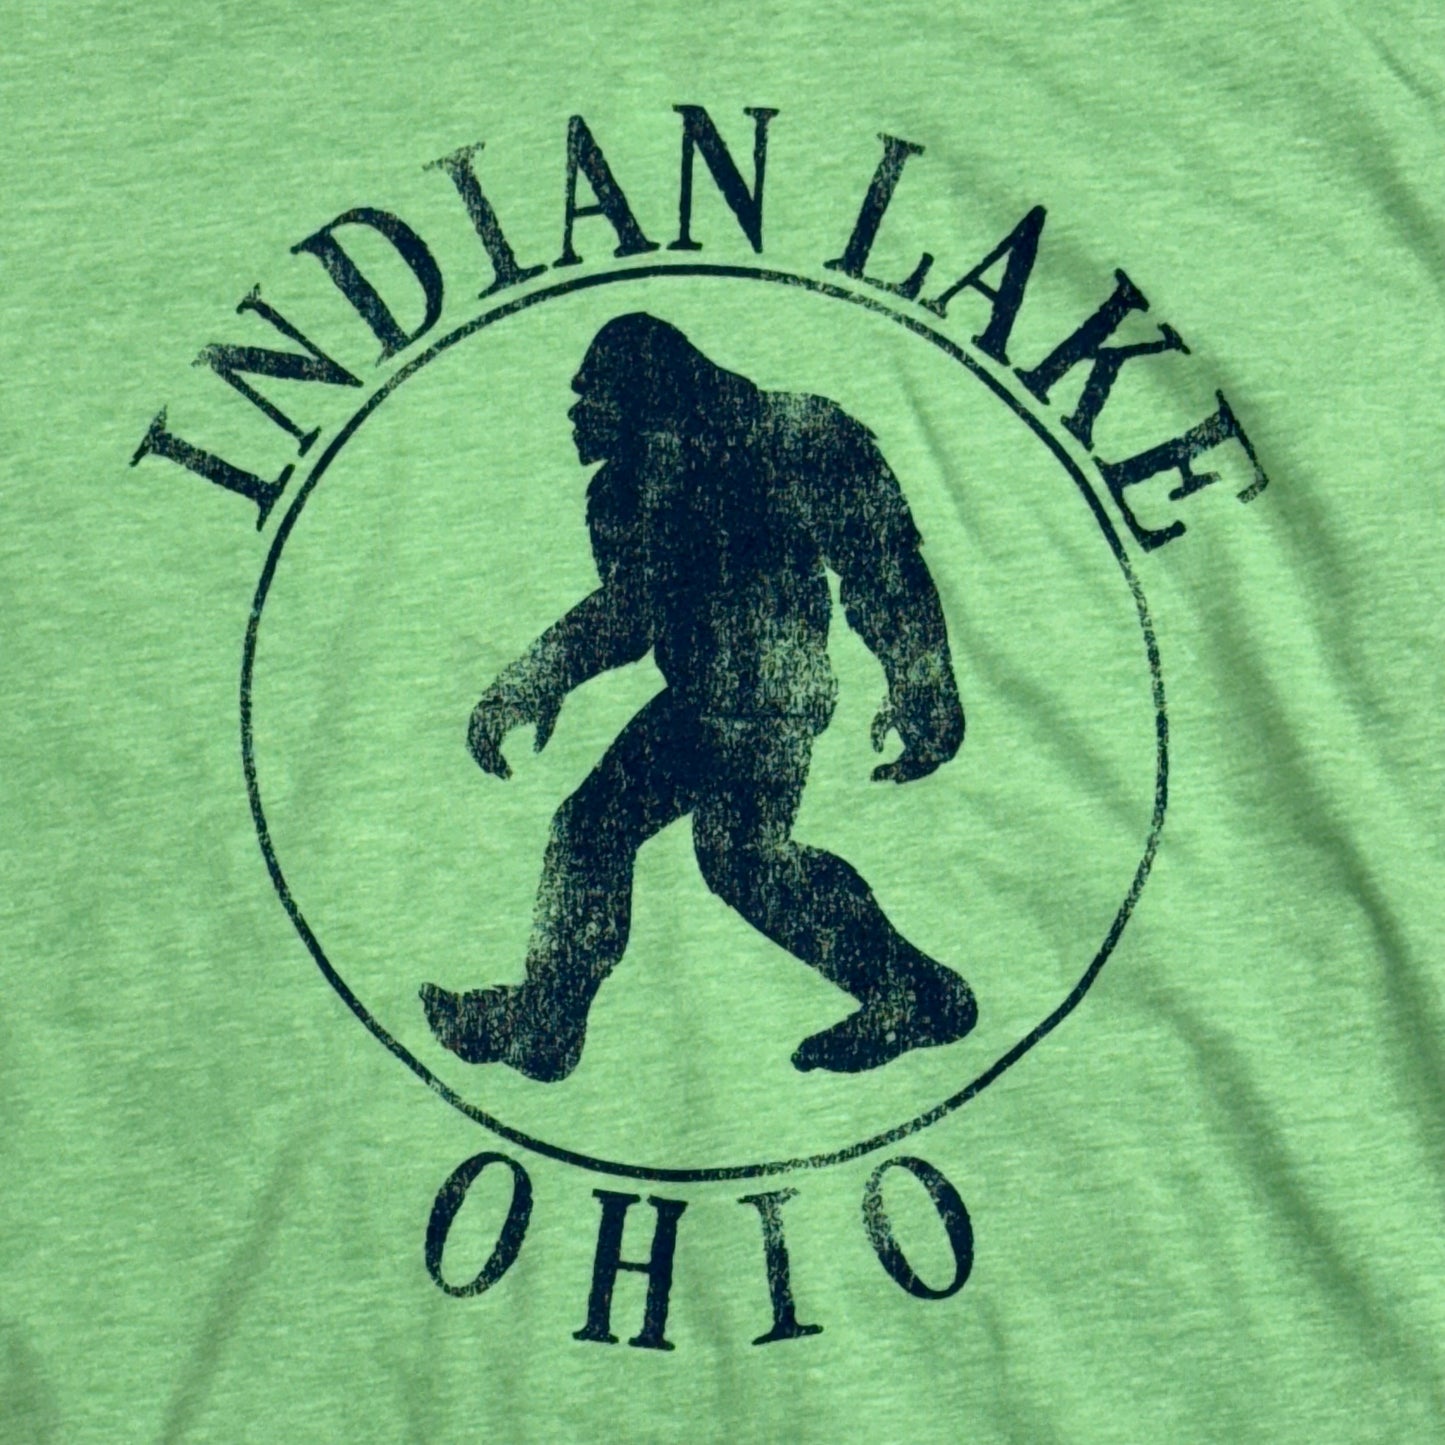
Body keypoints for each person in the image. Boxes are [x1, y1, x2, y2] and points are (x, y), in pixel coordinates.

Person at [421, 312, 976, 1081]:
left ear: (649, 397)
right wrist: (529, 684)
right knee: (716, 854)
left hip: (764, 691)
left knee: (624, 836)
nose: (579, 413)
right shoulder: (623, 489)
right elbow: (628, 614)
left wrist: (924, 690)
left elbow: (881, 563)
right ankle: (917, 993)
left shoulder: (791, 434)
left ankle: (548, 1023)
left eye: (597, 395)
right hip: (721, 693)